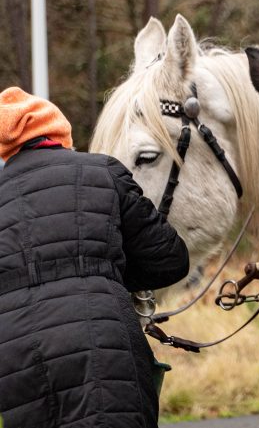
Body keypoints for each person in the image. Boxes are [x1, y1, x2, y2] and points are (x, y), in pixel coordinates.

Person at [0, 86, 189, 428]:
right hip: (102, 349)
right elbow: (169, 259)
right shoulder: (102, 171)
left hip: (17, 363)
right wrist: (105, 275)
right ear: (59, 132)